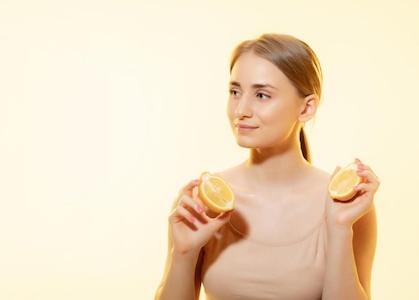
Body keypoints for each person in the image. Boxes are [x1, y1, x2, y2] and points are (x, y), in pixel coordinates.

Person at [155, 33, 379, 300]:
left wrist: (339, 230)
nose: (241, 110)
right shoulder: (201, 201)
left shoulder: (347, 204)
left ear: (307, 108)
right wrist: (183, 253)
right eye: (235, 92)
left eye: (262, 95)